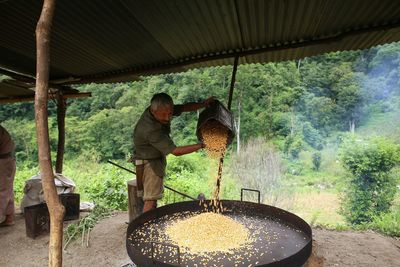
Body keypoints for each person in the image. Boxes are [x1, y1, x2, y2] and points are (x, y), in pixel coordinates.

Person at [133, 93, 214, 212]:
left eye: (170, 113)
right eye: (163, 115)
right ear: (153, 111)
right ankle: (145, 227)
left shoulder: (162, 109)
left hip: (154, 156)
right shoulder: (150, 129)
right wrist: (202, 145)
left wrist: (203, 104)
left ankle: (148, 221)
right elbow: (175, 151)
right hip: (149, 162)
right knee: (151, 198)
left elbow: (184, 107)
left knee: (152, 197)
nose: (167, 118)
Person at [0, 125, 16, 226]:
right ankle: (9, 218)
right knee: (7, 189)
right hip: (7, 160)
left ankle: (8, 218)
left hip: (3, 161)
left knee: (2, 190)